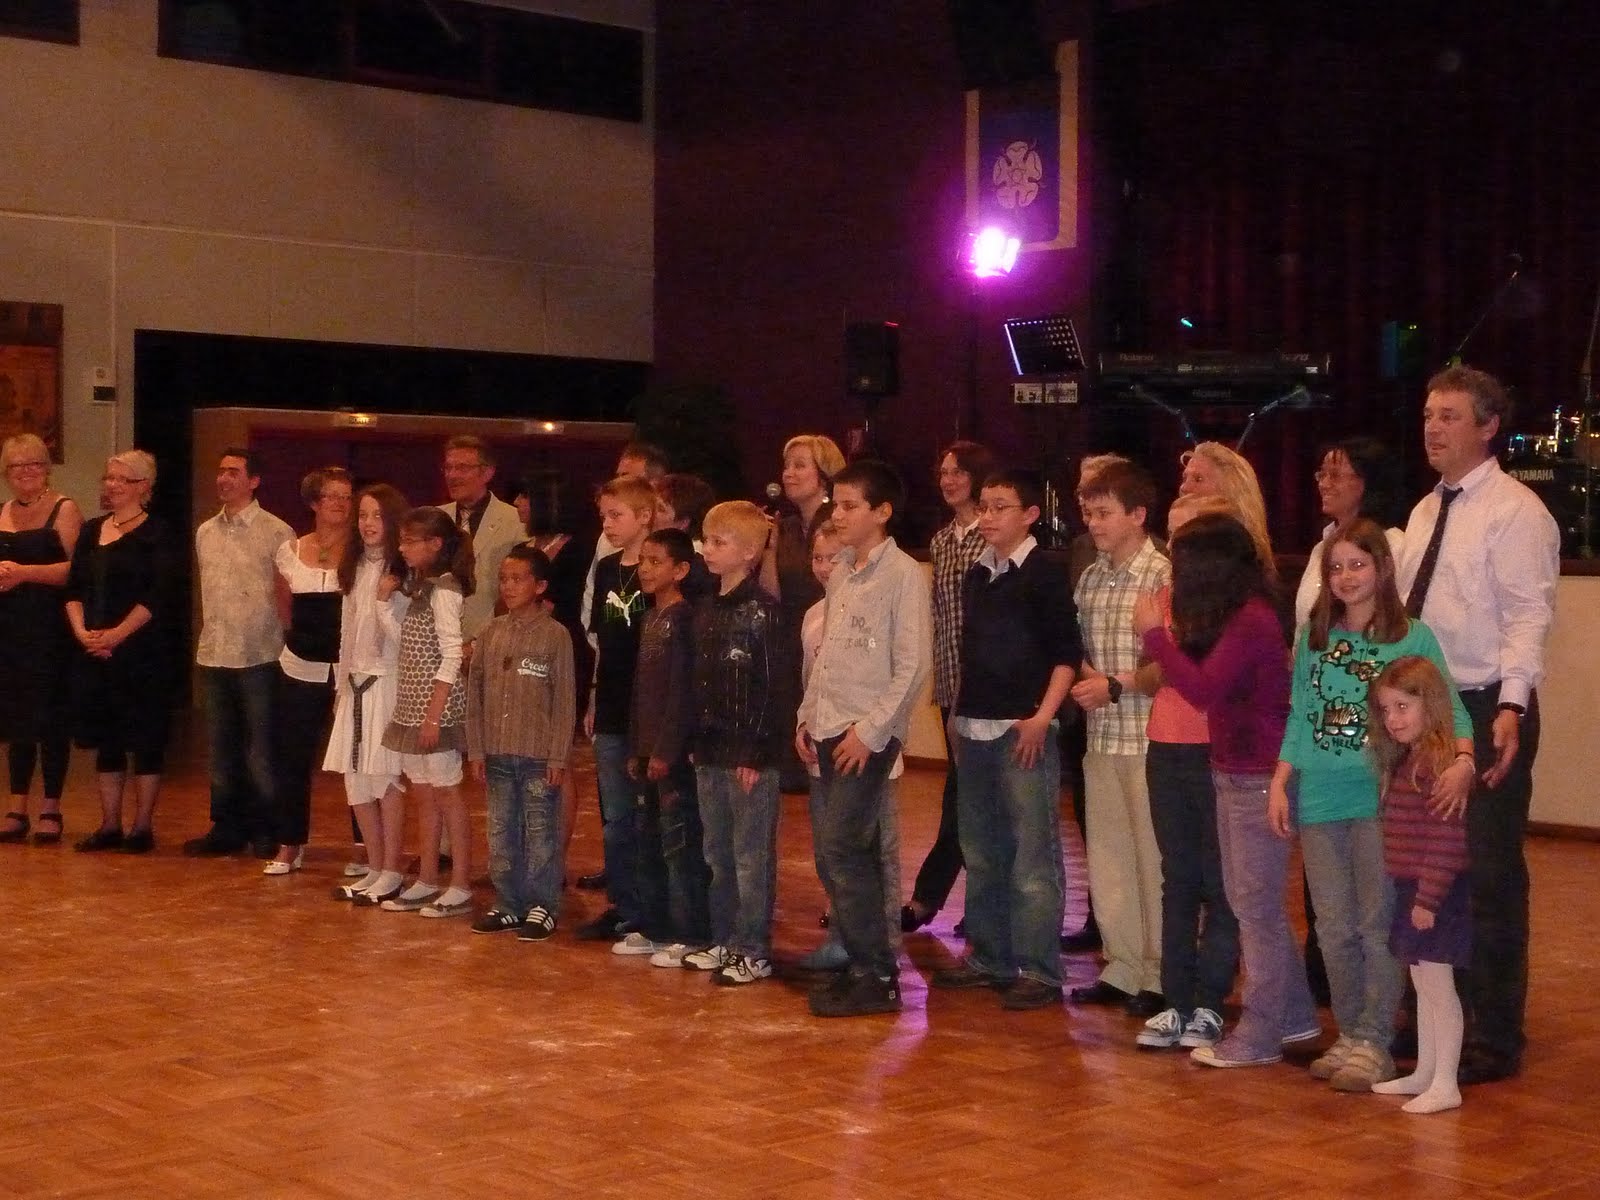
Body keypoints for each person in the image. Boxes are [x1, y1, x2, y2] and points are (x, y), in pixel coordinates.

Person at [1393, 364, 1559, 1085]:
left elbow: (1527, 616)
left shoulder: (1517, 511)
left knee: (1489, 873)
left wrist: (1513, 707)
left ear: (1489, 427)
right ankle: (1433, 1019)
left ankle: (1493, 1034)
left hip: (1490, 706)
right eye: (1429, 414)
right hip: (1428, 708)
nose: (1433, 428)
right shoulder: (1425, 510)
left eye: (1450, 416)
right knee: (1423, 865)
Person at [1268, 519, 1473, 1091]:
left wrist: (1463, 760)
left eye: (1357, 564)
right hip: (1319, 795)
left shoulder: (1413, 638)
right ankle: (1352, 1032)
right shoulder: (1314, 636)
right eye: (1335, 567)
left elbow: (1451, 707)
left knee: (1376, 921)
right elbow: (1299, 713)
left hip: (1381, 799)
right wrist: (1282, 780)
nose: (1346, 577)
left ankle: (1377, 1040)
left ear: (1382, 568)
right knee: (1332, 927)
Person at [1134, 513, 1320, 1067]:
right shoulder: (1237, 618)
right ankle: (1294, 1016)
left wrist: (1155, 636)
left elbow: (1202, 689)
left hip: (1258, 774)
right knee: (1249, 901)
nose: (1176, 578)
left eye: (1182, 565)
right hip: (1234, 768)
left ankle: (1259, 1034)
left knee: (1254, 907)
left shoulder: (1252, 619)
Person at [930, 468, 1079, 1010]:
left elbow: (1066, 654)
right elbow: (973, 654)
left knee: (1032, 854)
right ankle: (990, 955)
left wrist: (1042, 718)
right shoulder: (978, 574)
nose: (988, 517)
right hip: (974, 728)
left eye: (1000, 507)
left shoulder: (1043, 574)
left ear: (1030, 515)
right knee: (982, 848)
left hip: (1022, 731)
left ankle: (1040, 968)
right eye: (985, 507)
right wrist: (957, 716)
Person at [797, 461, 931, 1017]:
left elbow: (913, 666)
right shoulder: (842, 573)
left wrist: (871, 732)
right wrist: (806, 716)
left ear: (882, 512)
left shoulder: (903, 575)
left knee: (844, 847)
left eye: (851, 506)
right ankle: (863, 966)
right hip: (829, 726)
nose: (838, 515)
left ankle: (876, 972)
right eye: (836, 504)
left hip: (864, 736)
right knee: (844, 850)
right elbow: (827, 657)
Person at [1134, 492, 1240, 1053]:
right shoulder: (1162, 598)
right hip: (1166, 745)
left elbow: (1203, 682)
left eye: (1186, 536)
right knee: (1177, 877)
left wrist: (1163, 645)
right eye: (1171, 537)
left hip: (1215, 750)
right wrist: (1162, 654)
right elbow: (1150, 676)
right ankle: (1174, 1002)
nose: (1174, 549)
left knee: (1220, 882)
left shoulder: (1232, 605)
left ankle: (1210, 1002)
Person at [1068, 460, 1169, 1017]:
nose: (1094, 523)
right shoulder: (1090, 577)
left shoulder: (1160, 575)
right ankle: (1123, 966)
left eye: (1104, 513)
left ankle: (1159, 971)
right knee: (1108, 858)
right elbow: (1082, 652)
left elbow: (1169, 665)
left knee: (1152, 860)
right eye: (1089, 513)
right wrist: (1090, 678)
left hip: (1149, 737)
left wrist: (1115, 684)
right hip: (1102, 736)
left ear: (1138, 515)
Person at [795, 518, 904, 973]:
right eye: (817, 558)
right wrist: (803, 721)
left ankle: (881, 945)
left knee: (872, 849)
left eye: (833, 557)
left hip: (865, 746)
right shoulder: (813, 615)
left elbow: (902, 671)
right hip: (822, 743)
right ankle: (844, 936)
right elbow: (813, 679)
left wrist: (872, 732)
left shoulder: (882, 595)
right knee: (830, 850)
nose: (825, 567)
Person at [686, 501, 787, 985]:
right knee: (717, 853)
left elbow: (772, 688)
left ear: (749, 552)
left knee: (750, 856)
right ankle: (724, 938)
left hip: (747, 755)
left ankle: (753, 948)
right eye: (706, 540)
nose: (708, 549)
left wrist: (756, 752)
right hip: (710, 749)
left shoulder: (763, 612)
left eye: (719, 542)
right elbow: (700, 682)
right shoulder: (706, 609)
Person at [1369, 656, 1473, 1115]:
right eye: (1386, 709)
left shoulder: (1436, 763)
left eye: (1402, 707)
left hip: (1435, 894)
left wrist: (1428, 898)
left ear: (1429, 705)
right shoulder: (1411, 758)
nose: (1392, 719)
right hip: (1413, 887)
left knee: (1438, 987)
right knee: (1423, 983)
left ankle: (1446, 1081)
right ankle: (1426, 1072)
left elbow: (1448, 840)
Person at [902, 439, 994, 935]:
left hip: (985, 686)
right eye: (943, 472)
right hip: (950, 683)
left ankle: (933, 899)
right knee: (966, 795)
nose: (948, 480)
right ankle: (962, 905)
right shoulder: (941, 541)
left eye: (957, 471)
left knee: (972, 796)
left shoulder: (992, 535)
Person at [66, 451, 178, 854]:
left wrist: (116, 635)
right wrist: (83, 633)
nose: (111, 485)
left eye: (121, 479)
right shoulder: (91, 530)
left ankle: (142, 826)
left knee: (145, 739)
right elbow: (74, 588)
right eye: (108, 477)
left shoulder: (158, 533)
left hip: (142, 653)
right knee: (107, 738)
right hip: (96, 650)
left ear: (143, 487)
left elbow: (158, 595)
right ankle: (109, 823)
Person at [466, 544, 576, 941]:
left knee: (540, 832)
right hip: (497, 752)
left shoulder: (555, 636)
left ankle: (542, 904)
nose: (509, 587)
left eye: (518, 579)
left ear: (540, 586)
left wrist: (558, 756)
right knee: (501, 832)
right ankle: (508, 903)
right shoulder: (490, 633)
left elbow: (564, 700)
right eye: (503, 579)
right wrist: (476, 749)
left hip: (537, 755)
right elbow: (475, 694)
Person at [189, 447, 293, 858]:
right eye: (221, 471)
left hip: (260, 654)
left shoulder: (277, 532)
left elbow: (286, 595)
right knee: (220, 747)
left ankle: (266, 826)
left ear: (254, 481)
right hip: (215, 652)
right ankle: (226, 825)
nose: (224, 478)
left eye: (234, 472)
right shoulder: (205, 532)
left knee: (261, 749)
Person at [374, 507, 476, 919]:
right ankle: (428, 878)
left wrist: (434, 715)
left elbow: (451, 654)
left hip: (436, 707)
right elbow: (409, 643)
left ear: (435, 544)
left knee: (447, 793)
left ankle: (461, 884)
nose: (402, 548)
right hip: (413, 703)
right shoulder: (422, 588)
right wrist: (383, 604)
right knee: (423, 792)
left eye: (409, 541)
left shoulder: (446, 590)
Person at [575, 440, 667, 890]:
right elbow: (605, 641)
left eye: (616, 515)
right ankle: (623, 900)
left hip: (647, 705)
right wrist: (594, 695)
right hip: (611, 701)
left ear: (645, 516)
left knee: (648, 811)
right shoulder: (609, 567)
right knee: (615, 812)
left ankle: (651, 902)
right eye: (604, 516)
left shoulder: (660, 571)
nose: (607, 524)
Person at [622, 528, 711, 964]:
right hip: (647, 749)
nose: (645, 569)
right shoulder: (649, 618)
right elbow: (642, 691)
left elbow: (681, 693)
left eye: (656, 562)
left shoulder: (683, 620)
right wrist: (637, 747)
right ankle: (654, 927)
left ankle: (689, 932)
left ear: (681, 570)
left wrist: (664, 750)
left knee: (679, 844)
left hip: (671, 756)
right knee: (649, 842)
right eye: (643, 560)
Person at [264, 467, 353, 876]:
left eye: (346, 497)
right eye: (332, 495)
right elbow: (284, 606)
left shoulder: (363, 552)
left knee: (357, 758)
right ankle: (290, 843)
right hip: (301, 666)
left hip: (351, 669)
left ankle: (366, 847)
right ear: (314, 502)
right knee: (292, 756)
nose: (341, 504)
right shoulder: (290, 550)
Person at [325, 483, 411, 904]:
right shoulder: (355, 566)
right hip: (355, 683)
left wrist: (383, 601)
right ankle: (375, 867)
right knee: (356, 780)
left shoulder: (402, 573)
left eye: (377, 515)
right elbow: (347, 631)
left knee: (385, 778)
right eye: (362, 515)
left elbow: (404, 639)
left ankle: (393, 869)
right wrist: (341, 685)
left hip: (386, 682)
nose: (368, 523)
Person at [0, 433, 82, 845]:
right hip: (10, 629)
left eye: (34, 464)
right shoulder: (2, 511)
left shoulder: (65, 508)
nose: (26, 472)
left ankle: (51, 807)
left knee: (51, 717)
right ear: (7, 473)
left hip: (52, 629)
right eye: (17, 466)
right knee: (16, 718)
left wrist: (22, 573)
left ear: (47, 468)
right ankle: (16, 807)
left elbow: (76, 571)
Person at [761, 433, 847, 793]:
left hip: (836, 631)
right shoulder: (786, 525)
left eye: (800, 466)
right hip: (791, 634)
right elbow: (772, 594)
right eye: (786, 466)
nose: (788, 473)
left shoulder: (841, 522)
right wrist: (768, 549)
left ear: (824, 476)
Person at [1293, 436, 1407, 631]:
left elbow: (1396, 619)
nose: (1323, 484)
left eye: (1335, 475)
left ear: (1368, 482)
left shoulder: (1393, 545)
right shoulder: (1321, 548)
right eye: (1322, 475)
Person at [438, 435, 522, 645]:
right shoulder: (434, 519)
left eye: (462, 468)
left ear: (487, 472)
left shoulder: (516, 521)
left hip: (495, 643)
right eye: (448, 468)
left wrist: (476, 643)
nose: (452, 475)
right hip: (435, 644)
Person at [1177, 442, 1277, 583]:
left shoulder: (1245, 560)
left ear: (1230, 491)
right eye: (1184, 478)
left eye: (1198, 479)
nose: (1184, 487)